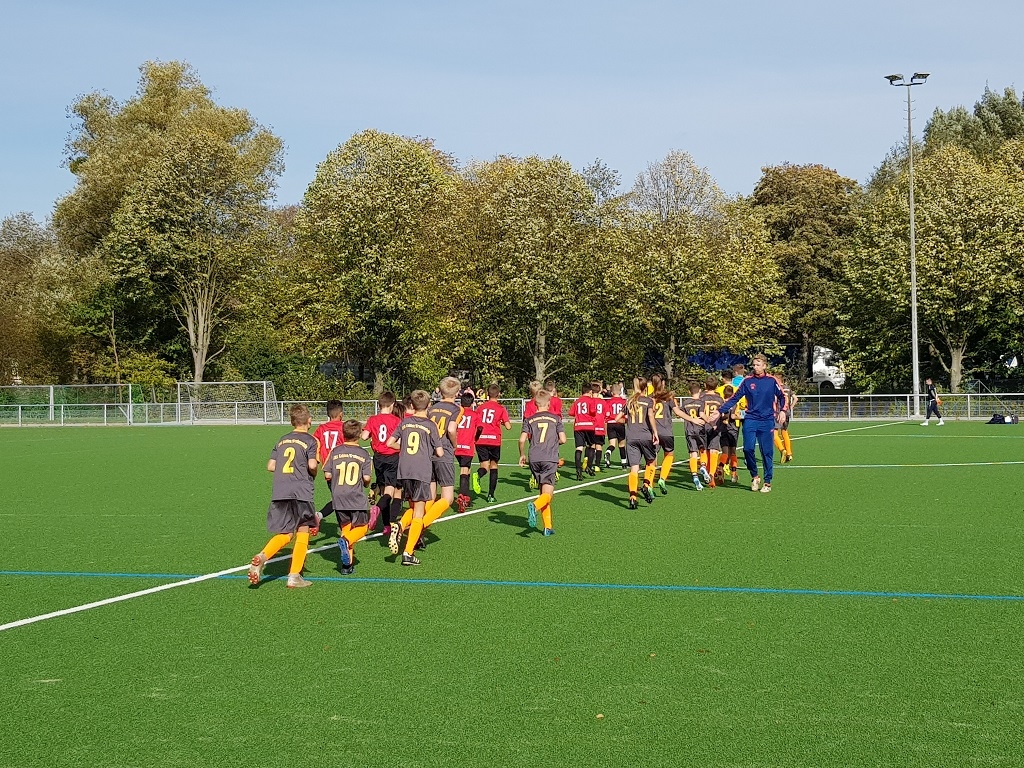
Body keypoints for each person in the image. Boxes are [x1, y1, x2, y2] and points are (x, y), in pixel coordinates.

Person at [248, 404, 320, 589]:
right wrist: (311, 471)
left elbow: (271, 466)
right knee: (303, 531)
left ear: (292, 422)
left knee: (286, 533)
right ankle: (294, 576)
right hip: (301, 491)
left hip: (280, 491)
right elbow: (312, 465)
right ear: (309, 421)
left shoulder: (282, 440)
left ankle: (263, 556)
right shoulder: (311, 440)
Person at [708, 353, 787, 493]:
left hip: (767, 420)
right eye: (754, 365)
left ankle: (767, 482)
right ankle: (755, 476)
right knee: (747, 449)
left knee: (766, 452)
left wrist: (783, 411)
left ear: (764, 366)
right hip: (751, 419)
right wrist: (720, 411)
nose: (755, 367)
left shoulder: (771, 380)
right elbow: (734, 398)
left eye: (758, 365)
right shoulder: (747, 381)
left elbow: (782, 397)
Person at [386, 390, 444, 566]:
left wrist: (403, 447)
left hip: (405, 470)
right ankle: (408, 553)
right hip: (421, 471)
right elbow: (440, 452)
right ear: (429, 406)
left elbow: (389, 443)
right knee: (419, 511)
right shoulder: (431, 425)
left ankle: (400, 525)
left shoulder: (404, 422)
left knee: (413, 505)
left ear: (411, 405)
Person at [323, 419, 372, 576]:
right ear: (359, 435)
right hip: (355, 496)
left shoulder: (335, 451)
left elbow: (327, 474)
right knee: (363, 527)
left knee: (346, 528)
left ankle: (346, 565)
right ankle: (346, 541)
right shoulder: (364, 454)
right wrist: (366, 484)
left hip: (338, 496)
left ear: (343, 433)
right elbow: (366, 478)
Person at [518, 389, 567, 536]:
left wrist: (522, 454)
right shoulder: (556, 419)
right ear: (549, 403)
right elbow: (563, 439)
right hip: (549, 457)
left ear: (535, 403)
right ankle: (534, 506)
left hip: (534, 457)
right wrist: (554, 443)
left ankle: (547, 527)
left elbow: (521, 440)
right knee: (548, 494)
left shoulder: (529, 419)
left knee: (543, 492)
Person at [362, 392, 403, 536]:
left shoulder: (372, 419)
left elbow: (364, 436)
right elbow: (398, 442)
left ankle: (386, 525)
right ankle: (377, 509)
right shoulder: (397, 420)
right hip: (392, 457)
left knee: (383, 489)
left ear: (379, 405)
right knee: (389, 492)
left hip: (378, 458)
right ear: (392, 404)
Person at [424, 377, 462, 525]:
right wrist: (455, 445)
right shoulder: (456, 409)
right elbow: (451, 429)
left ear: (440, 391)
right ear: (457, 393)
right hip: (444, 450)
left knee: (430, 496)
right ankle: (422, 524)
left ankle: (417, 525)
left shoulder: (432, 408)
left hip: (428, 451)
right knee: (447, 498)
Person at [618, 376, 660, 509]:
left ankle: (632, 497)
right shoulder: (648, 401)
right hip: (645, 435)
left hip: (631, 437)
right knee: (651, 462)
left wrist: (629, 421)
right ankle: (646, 484)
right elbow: (650, 416)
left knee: (634, 468)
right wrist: (655, 432)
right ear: (646, 388)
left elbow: (617, 418)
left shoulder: (629, 401)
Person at [312, 399, 345, 531]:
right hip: (343, 467)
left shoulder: (321, 429)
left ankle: (321, 516)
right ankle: (343, 527)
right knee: (341, 498)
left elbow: (314, 443)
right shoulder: (344, 427)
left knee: (339, 497)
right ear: (341, 414)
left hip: (328, 469)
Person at [475, 384, 512, 502]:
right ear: (499, 394)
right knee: (494, 466)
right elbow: (508, 427)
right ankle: (490, 495)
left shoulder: (480, 408)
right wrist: (502, 422)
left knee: (484, 466)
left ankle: (478, 475)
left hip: (480, 439)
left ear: (487, 394)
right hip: (494, 440)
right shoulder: (501, 408)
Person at [680, 381, 710, 491]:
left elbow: (680, 414)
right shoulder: (701, 402)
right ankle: (703, 466)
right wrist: (710, 422)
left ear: (689, 392)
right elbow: (701, 414)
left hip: (689, 430)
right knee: (703, 449)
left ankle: (695, 476)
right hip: (700, 429)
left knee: (693, 454)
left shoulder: (685, 403)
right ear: (700, 391)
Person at [454, 391, 480, 511]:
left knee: (467, 470)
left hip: (457, 446)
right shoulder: (474, 415)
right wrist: (476, 437)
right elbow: (480, 427)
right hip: (467, 446)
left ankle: (466, 497)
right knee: (464, 471)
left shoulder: (457, 414)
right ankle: (462, 497)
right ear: (472, 403)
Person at [701, 375, 726, 485]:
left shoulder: (701, 397)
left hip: (703, 426)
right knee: (714, 450)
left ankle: (706, 470)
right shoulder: (719, 399)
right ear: (716, 387)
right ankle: (711, 474)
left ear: (705, 385)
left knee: (704, 449)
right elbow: (724, 413)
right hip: (716, 427)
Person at [568, 382, 596, 480]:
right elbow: (593, 411)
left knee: (579, 448)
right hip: (589, 426)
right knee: (592, 446)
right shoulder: (591, 400)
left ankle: (578, 470)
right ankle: (589, 466)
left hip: (578, 426)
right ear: (590, 391)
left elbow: (571, 413)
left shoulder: (577, 401)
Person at [718, 385, 741, 484]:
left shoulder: (721, 404)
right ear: (732, 395)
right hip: (732, 431)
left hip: (723, 430)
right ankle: (734, 474)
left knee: (724, 453)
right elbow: (732, 416)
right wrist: (741, 416)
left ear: (724, 394)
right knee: (733, 453)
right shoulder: (734, 404)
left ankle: (720, 467)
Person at [602, 382, 628, 469]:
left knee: (612, 444)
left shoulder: (608, 402)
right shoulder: (624, 402)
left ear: (612, 393)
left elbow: (607, 414)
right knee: (621, 444)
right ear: (620, 392)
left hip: (610, 424)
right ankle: (624, 463)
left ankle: (608, 451)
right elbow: (626, 414)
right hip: (620, 423)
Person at [773, 374, 797, 462]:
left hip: (779, 412)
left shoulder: (777, 388)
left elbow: (775, 399)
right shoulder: (788, 388)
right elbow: (795, 398)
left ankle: (782, 449)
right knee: (784, 432)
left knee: (774, 434)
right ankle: (789, 454)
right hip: (787, 412)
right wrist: (791, 407)